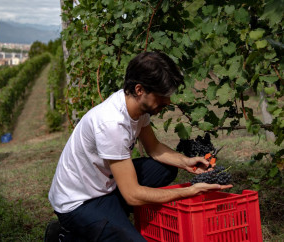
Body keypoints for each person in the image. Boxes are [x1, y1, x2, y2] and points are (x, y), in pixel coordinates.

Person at [48, 52, 232, 241]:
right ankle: (64, 235)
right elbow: (133, 195)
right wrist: (190, 191)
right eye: (162, 96)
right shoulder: (111, 124)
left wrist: (186, 162)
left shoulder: (135, 108)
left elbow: (154, 148)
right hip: (79, 202)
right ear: (139, 90)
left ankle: (110, 218)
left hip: (105, 184)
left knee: (166, 168)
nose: (168, 102)